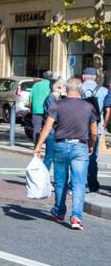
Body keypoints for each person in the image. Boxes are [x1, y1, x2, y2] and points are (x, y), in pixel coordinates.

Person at [34, 77, 99, 230]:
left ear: (66, 89)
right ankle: (76, 217)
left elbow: (47, 127)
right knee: (78, 184)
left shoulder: (56, 105)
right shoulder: (88, 107)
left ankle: (59, 211)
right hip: (80, 147)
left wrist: (38, 146)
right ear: (80, 90)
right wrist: (91, 145)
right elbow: (94, 133)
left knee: (60, 181)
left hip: (60, 145)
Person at [29, 70, 53, 141]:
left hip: (36, 109)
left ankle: (36, 145)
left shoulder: (35, 85)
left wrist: (31, 108)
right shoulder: (51, 85)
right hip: (48, 110)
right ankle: (47, 143)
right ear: (51, 77)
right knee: (48, 127)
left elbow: (30, 99)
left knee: (36, 128)